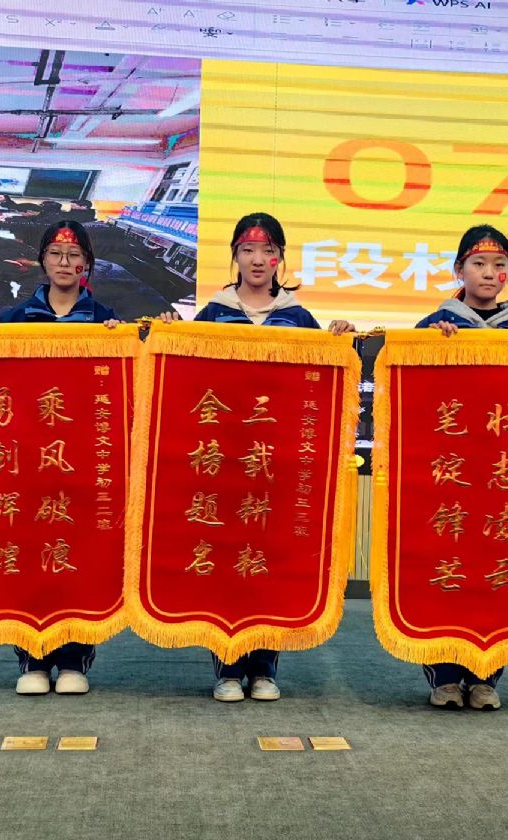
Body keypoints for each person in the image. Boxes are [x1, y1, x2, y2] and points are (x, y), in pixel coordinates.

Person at [162, 211, 354, 703]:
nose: (257, 259)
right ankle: (227, 668)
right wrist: (169, 334)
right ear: (235, 256)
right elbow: (186, 376)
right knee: (225, 566)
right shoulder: (214, 313)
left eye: (268, 251)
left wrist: (338, 337)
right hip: (223, 464)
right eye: (247, 250)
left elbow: (320, 384)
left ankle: (265, 669)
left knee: (267, 567)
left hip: (275, 467)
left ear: (280, 259)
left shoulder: (298, 318)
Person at [415, 224, 508, 712]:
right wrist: (429, 349)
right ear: (458, 269)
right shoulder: (433, 325)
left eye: (499, 265)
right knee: (447, 574)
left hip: (504, 477)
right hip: (449, 474)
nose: (489, 273)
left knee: (498, 574)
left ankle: (486, 676)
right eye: (478, 264)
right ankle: (444, 676)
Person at [0, 220, 120, 696]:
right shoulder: (15, 318)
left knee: (80, 558)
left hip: (84, 462)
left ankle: (76, 659)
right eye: (56, 254)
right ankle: (31, 659)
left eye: (74, 255)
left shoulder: (105, 319)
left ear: (87, 265)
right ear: (41, 261)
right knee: (29, 558)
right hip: (27, 462)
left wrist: (124, 342)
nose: (65, 263)